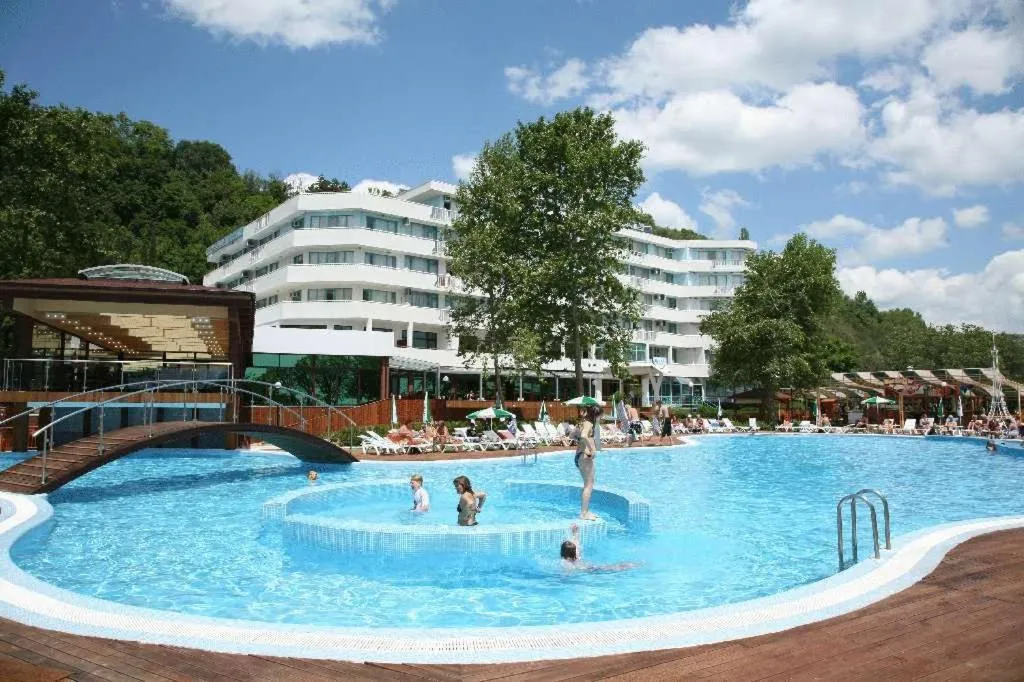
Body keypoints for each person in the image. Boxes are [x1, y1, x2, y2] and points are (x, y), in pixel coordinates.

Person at [560, 524, 638, 572]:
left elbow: (568, 573)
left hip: (590, 569)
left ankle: (632, 565)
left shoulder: (565, 563)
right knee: (614, 567)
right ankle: (632, 565)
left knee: (612, 568)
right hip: (590, 567)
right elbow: (577, 543)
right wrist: (575, 532)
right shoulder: (576, 556)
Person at [574, 405, 600, 521]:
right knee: (589, 485)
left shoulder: (581, 422)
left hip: (579, 455)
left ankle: (586, 511)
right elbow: (584, 436)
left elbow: (573, 435)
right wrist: (592, 448)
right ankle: (584, 513)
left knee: (587, 484)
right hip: (585, 456)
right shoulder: (589, 423)